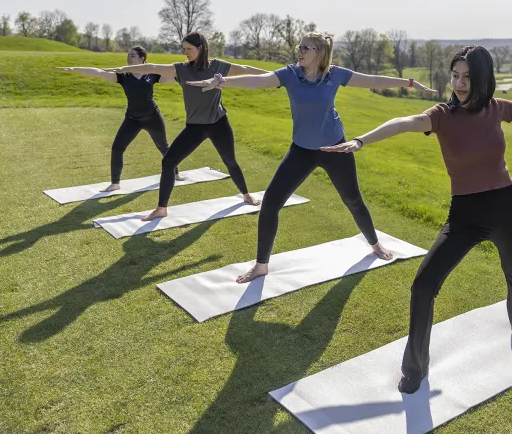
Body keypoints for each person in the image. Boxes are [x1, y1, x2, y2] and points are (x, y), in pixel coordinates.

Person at [319, 45, 512, 394]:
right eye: (454, 76)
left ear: (482, 79)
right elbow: (404, 123)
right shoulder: (441, 115)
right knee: (423, 285)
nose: (458, 83)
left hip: (506, 207)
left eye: (467, 77)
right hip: (464, 216)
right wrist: (362, 141)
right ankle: (414, 368)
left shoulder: (494, 108)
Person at [187, 32, 436, 283]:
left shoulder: (335, 75)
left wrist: (411, 83)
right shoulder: (290, 74)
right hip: (301, 151)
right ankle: (261, 265)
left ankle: (375, 244)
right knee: (271, 204)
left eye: (306, 48)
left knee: (353, 200)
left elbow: (371, 80)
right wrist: (221, 83)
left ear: (319, 52)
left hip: (336, 149)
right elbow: (259, 81)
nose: (300, 51)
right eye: (299, 46)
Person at [106, 32, 267, 220]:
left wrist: (276, 77)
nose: (185, 52)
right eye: (183, 49)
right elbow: (154, 67)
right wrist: (121, 69)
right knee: (168, 162)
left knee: (230, 161)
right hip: (194, 127)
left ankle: (246, 195)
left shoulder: (218, 66)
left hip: (218, 124)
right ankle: (161, 209)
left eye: (188, 49)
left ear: (201, 48)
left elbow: (245, 68)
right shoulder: (181, 69)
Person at [56, 46, 181, 192]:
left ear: (142, 58)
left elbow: (177, 75)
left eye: (132, 55)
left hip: (153, 117)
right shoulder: (123, 75)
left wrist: (195, 70)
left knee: (164, 147)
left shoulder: (152, 74)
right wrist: (73, 69)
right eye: (128, 55)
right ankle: (115, 183)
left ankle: (176, 172)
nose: (129, 57)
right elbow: (97, 72)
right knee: (117, 148)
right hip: (132, 119)